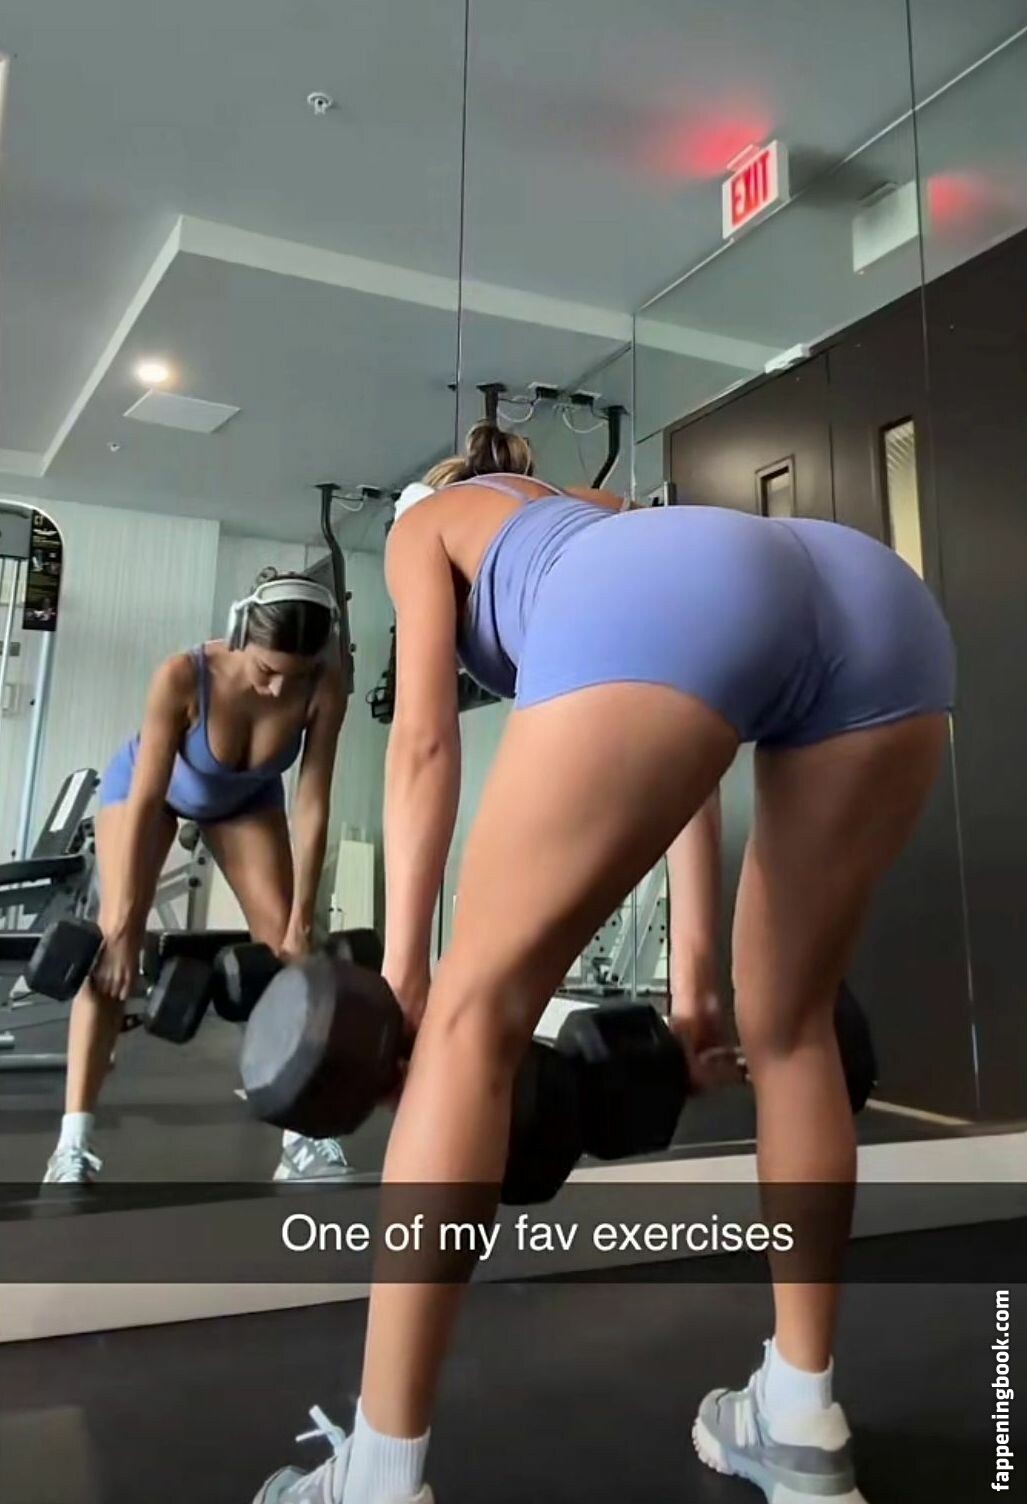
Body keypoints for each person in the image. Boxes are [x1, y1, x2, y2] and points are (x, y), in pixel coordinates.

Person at [254, 420, 955, 1504]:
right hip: (875, 598)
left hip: (677, 610)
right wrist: (695, 981)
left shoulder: (425, 524)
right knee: (792, 1026)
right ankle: (798, 1414)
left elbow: (425, 742)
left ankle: (376, 1477)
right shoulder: (592, 512)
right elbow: (691, 732)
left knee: (470, 1022)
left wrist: (407, 975)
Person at [43, 570, 349, 1186]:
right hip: (151, 791)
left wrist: (300, 918)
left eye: (292, 675)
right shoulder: (183, 676)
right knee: (110, 946)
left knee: (293, 957)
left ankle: (302, 1137)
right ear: (239, 635)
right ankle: (72, 1144)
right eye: (266, 670)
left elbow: (312, 804)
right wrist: (124, 924)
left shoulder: (323, 684)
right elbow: (147, 796)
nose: (276, 687)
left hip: (245, 799)